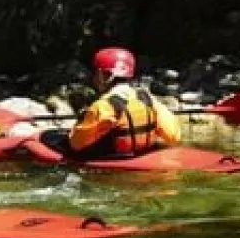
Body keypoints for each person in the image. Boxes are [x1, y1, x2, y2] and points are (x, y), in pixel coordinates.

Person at [39, 47, 180, 160]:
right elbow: (173, 136)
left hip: (114, 156)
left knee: (47, 136)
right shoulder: (147, 98)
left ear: (101, 75)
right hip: (143, 151)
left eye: (95, 73)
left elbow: (76, 144)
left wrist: (82, 121)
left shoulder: (104, 106)